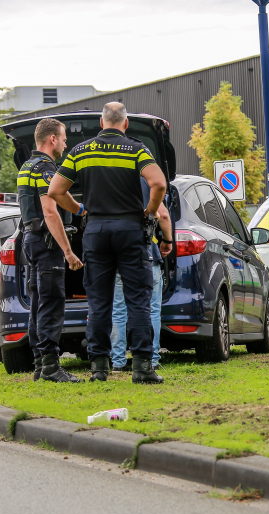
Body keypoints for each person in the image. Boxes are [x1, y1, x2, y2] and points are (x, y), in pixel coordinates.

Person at [48, 102, 170, 383]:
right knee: (138, 301)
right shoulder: (137, 149)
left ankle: (99, 369)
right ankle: (142, 368)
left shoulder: (81, 151)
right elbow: (160, 184)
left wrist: (80, 210)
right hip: (130, 230)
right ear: (125, 124)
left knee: (99, 303)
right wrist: (150, 211)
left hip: (96, 231)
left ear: (101, 124)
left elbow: (55, 190)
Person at [18, 118, 84, 383]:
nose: (66, 143)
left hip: (30, 241)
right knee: (51, 304)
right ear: (52, 139)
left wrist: (80, 210)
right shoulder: (46, 168)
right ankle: (51, 367)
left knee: (37, 304)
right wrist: (67, 251)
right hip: (47, 245)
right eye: (64, 137)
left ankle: (38, 365)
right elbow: (49, 210)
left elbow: (59, 198)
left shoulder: (27, 166)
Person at [111, 179, 172, 372]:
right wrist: (167, 240)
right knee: (151, 308)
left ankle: (118, 362)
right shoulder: (147, 181)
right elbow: (163, 215)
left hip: (117, 255)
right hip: (146, 254)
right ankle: (151, 358)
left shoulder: (108, 182)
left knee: (118, 310)